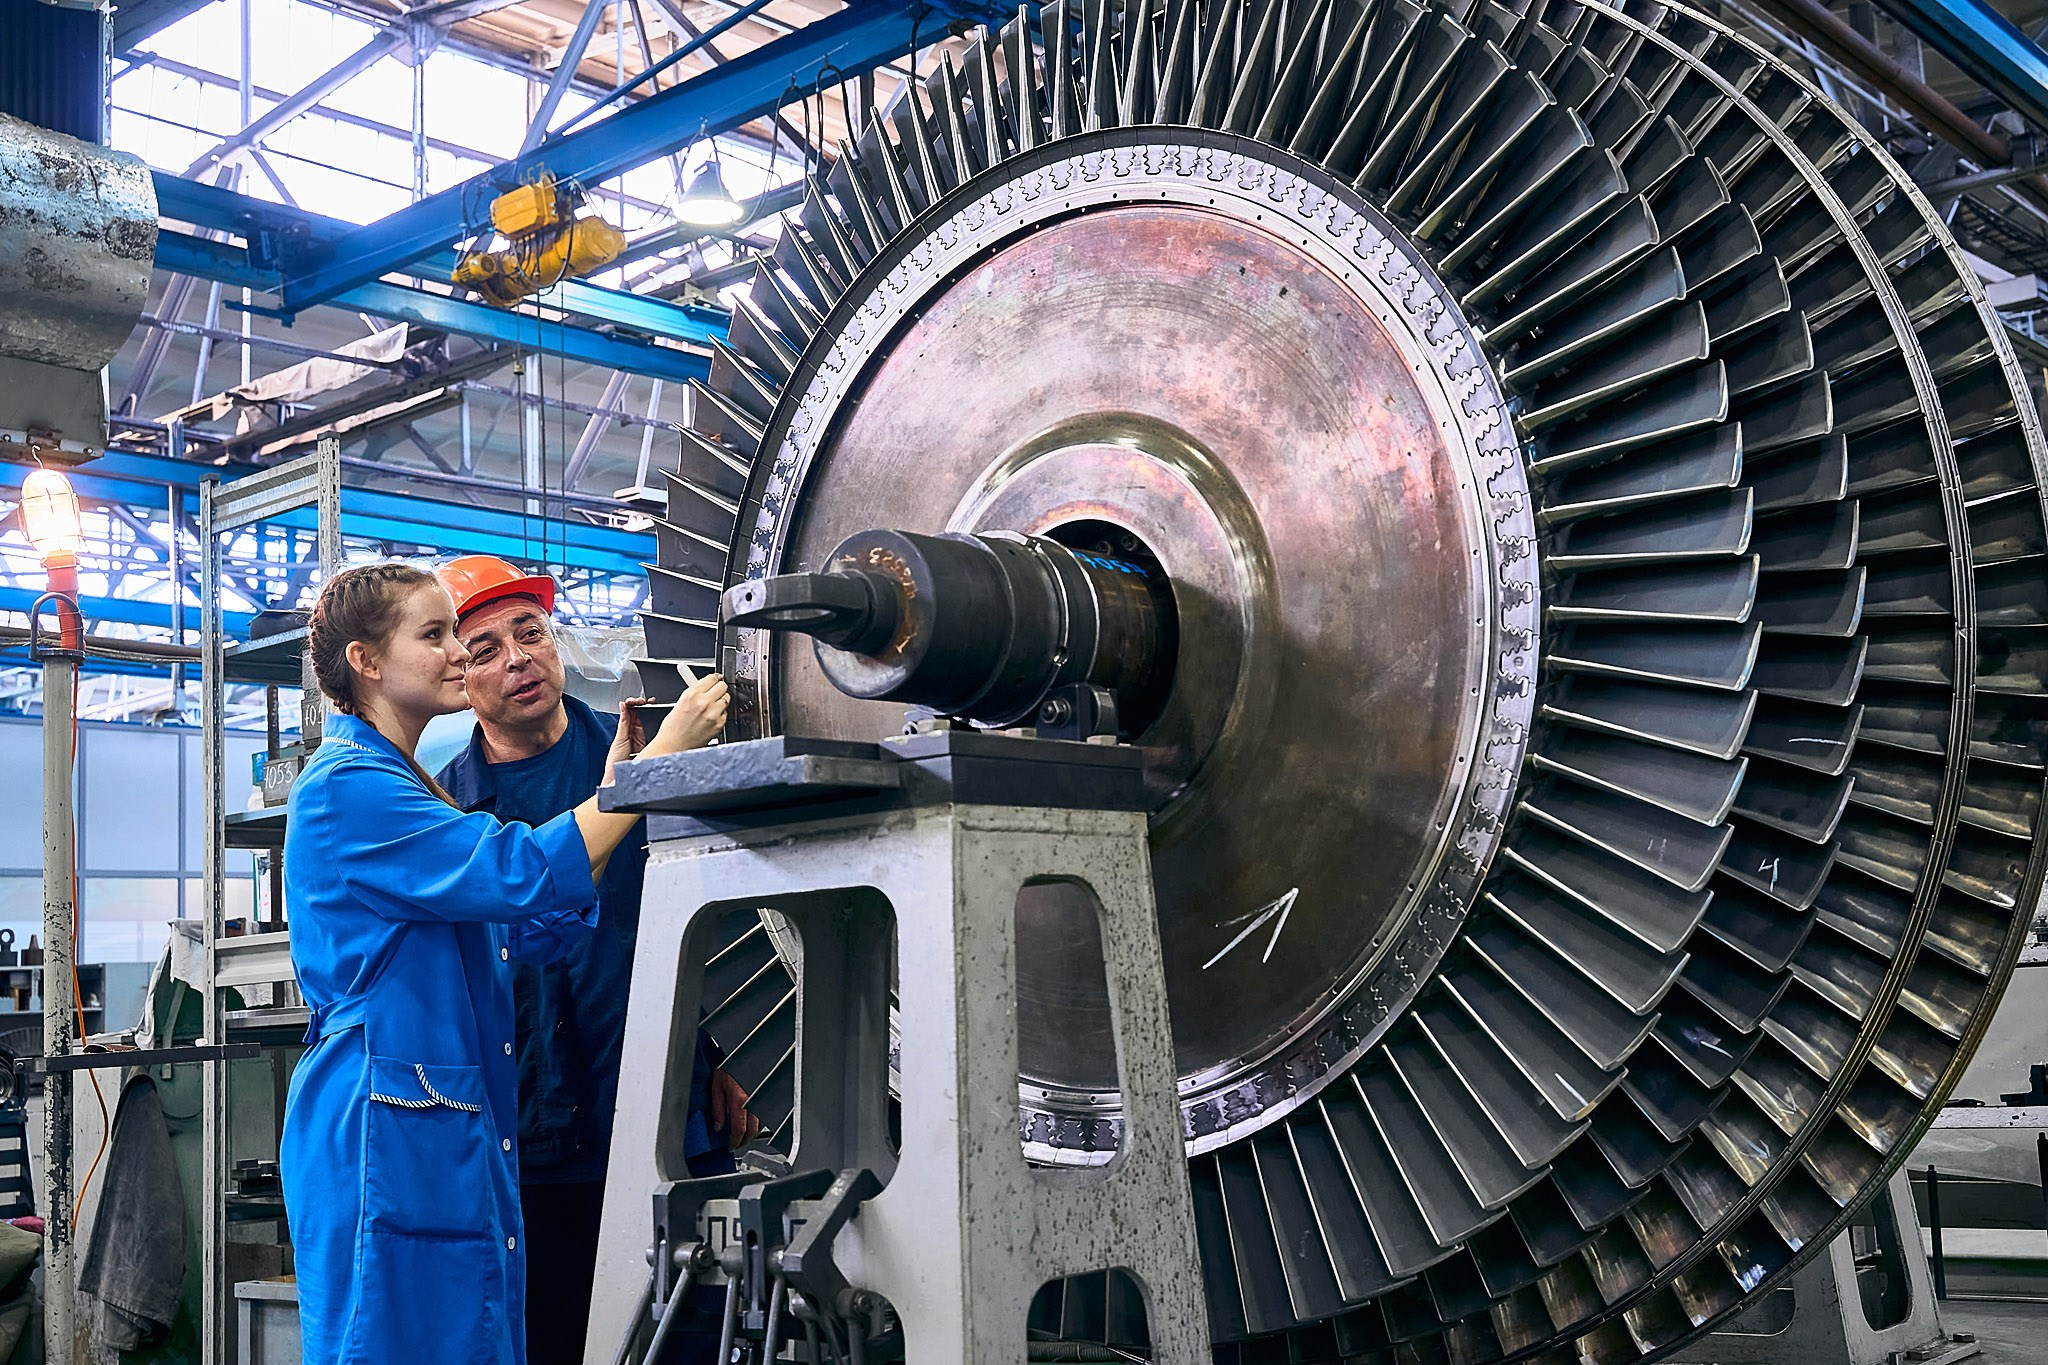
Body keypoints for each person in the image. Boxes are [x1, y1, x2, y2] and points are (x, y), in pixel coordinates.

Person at [280, 562, 729, 1365]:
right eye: (440, 635)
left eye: (517, 634)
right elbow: (515, 873)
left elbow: (514, 933)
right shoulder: (348, 790)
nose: (461, 653)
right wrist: (642, 779)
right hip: (385, 1125)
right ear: (367, 661)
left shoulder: (407, 783)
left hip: (436, 1119)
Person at [432, 555, 761, 1365]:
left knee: (685, 1336)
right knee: (554, 1339)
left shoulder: (644, 751)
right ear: (455, 675)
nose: (517, 658)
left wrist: (719, 1049)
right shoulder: (445, 805)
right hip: (529, 1138)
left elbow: (712, 900)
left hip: (660, 1109)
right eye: (484, 648)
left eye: (529, 632)